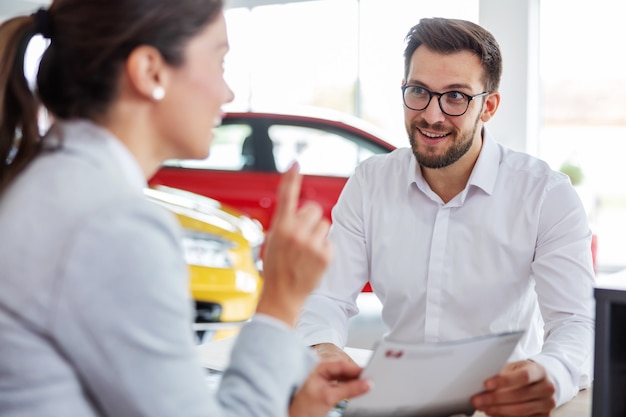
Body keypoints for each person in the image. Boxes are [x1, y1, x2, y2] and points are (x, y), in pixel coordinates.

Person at [0, 1, 370, 416]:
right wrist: (280, 301)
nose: (226, 93)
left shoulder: (55, 182)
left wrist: (293, 409)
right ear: (150, 72)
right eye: (220, 61)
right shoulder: (111, 222)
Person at [296, 17, 595, 417]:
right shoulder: (370, 182)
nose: (432, 116)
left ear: (488, 106)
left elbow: (579, 321)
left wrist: (552, 373)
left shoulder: (544, 194)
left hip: (501, 405)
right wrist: (321, 346)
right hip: (394, 402)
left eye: (455, 96)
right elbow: (327, 297)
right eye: (418, 91)